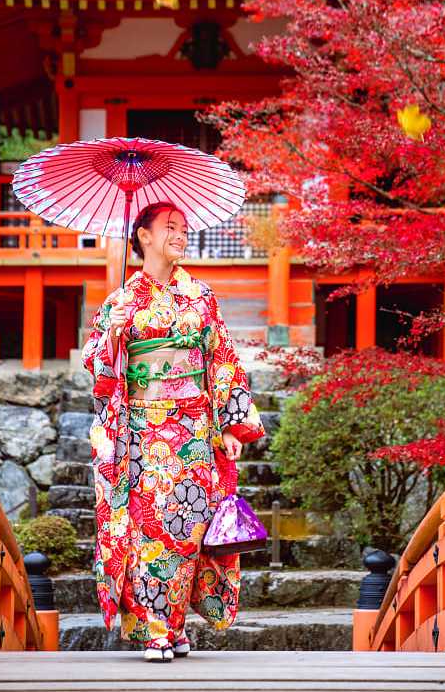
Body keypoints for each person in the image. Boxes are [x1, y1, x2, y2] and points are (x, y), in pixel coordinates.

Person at [81, 202, 265, 662]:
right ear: (142, 236)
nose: (180, 236)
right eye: (170, 228)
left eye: (183, 229)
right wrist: (114, 337)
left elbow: (222, 360)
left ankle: (176, 623)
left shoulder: (200, 296)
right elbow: (97, 367)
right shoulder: (120, 302)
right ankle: (155, 628)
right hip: (142, 431)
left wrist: (232, 427)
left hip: (195, 429)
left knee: (191, 526)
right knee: (152, 529)